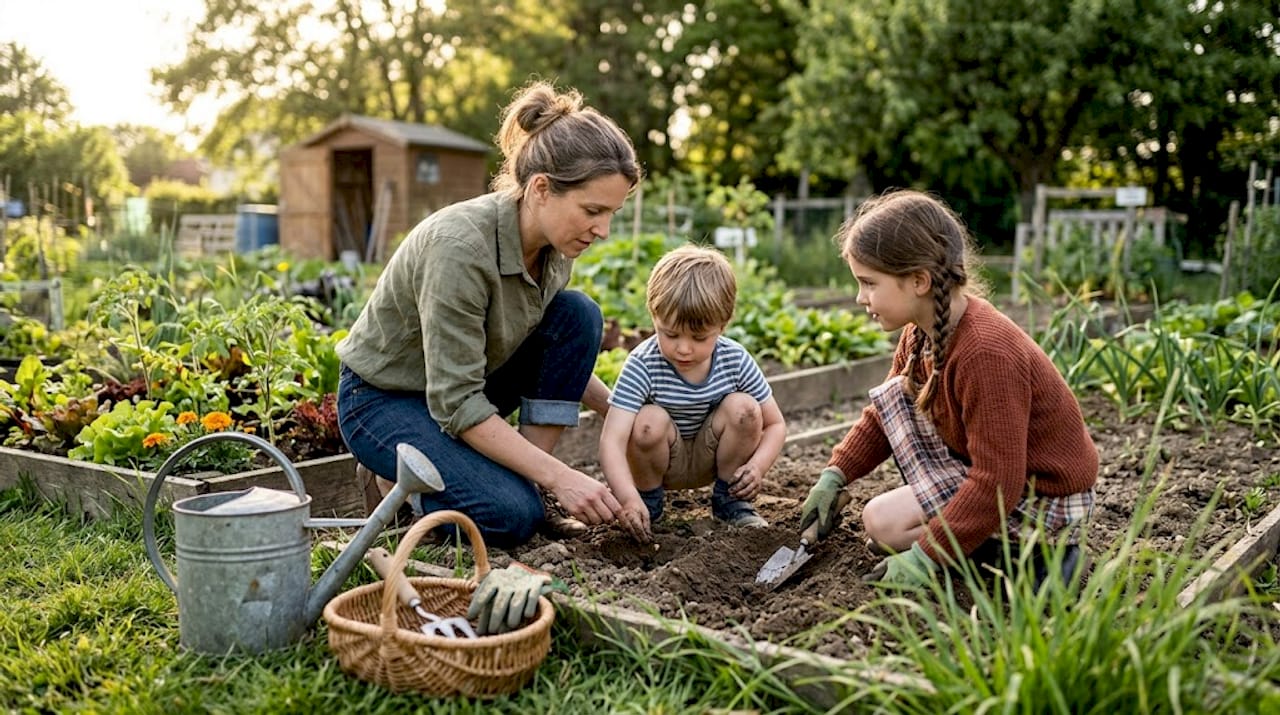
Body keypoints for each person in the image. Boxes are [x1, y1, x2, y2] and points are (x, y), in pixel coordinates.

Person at [336, 81, 640, 559]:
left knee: (577, 316)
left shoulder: (555, 248)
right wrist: (562, 476)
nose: (602, 230)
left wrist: (623, 411)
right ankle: (394, 476)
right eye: (593, 211)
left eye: (611, 214)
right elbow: (456, 402)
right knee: (510, 517)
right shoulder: (459, 249)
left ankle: (526, 485)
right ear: (541, 188)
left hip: (464, 384)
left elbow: (554, 350)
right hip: (385, 399)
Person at [799, 189, 1098, 587]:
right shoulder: (921, 335)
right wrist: (835, 475)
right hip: (996, 478)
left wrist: (924, 558)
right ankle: (976, 546)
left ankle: (1044, 559)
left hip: (1041, 497)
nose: (860, 297)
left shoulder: (986, 352)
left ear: (919, 281)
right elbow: (884, 418)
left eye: (869, 283)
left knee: (902, 535)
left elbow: (998, 481)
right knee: (880, 522)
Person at [599, 245, 787, 542]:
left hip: (713, 460)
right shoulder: (643, 363)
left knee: (745, 408)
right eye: (670, 334)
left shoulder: (734, 359)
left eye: (699, 338)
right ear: (654, 319)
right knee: (647, 420)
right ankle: (648, 503)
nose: (683, 348)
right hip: (659, 463)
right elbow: (612, 439)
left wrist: (756, 467)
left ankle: (730, 502)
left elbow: (775, 424)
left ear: (722, 326)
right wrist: (628, 497)